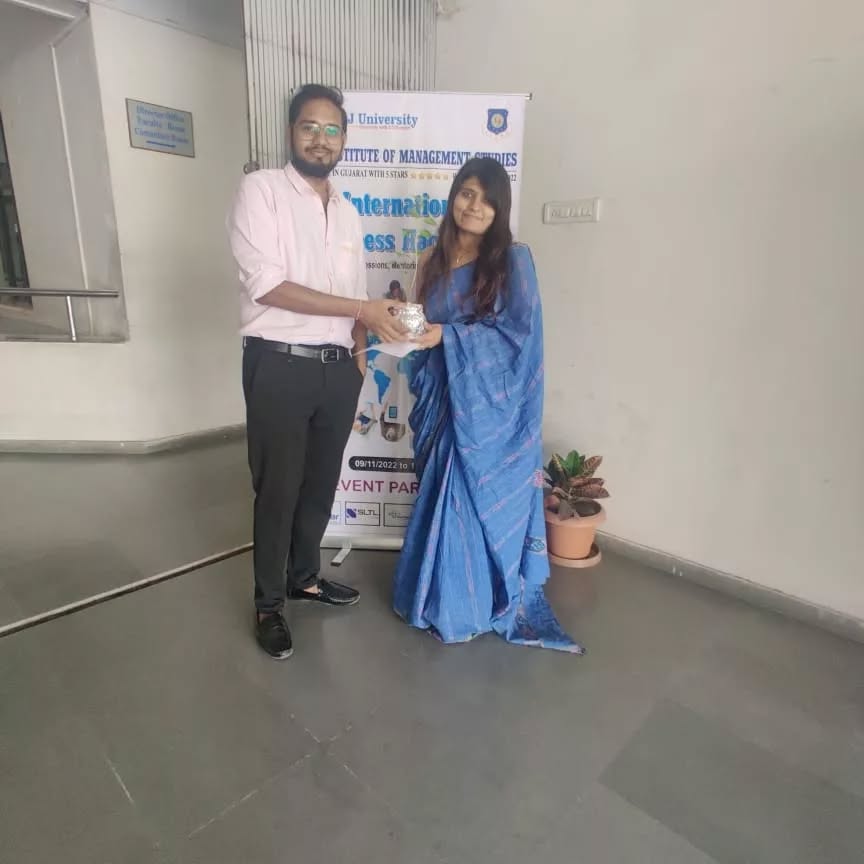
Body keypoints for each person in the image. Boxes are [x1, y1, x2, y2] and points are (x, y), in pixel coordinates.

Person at [227, 84, 406, 659]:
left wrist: (361, 353)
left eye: (332, 130)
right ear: (291, 132)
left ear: (344, 139)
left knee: (320, 484)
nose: (321, 139)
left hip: (338, 370)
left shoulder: (348, 212)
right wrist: (361, 311)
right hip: (279, 364)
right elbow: (268, 285)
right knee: (277, 489)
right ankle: (268, 604)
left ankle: (304, 577)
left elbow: (357, 294)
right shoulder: (261, 190)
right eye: (310, 127)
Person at [393, 157, 584, 653]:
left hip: (484, 409)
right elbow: (422, 324)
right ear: (454, 195)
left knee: (463, 499)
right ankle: (430, 596)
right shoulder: (430, 260)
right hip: (440, 396)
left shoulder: (512, 261)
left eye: (487, 199)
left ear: (500, 209)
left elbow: (520, 338)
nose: (474, 206)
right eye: (467, 193)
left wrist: (449, 337)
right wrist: (409, 331)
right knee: (439, 497)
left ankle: (465, 606)